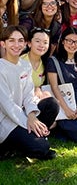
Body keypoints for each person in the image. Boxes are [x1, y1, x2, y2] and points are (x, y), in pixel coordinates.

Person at [0, 25, 59, 160]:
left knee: (52, 104)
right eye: (11, 41)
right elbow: (7, 105)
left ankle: (31, 137)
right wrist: (29, 121)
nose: (16, 45)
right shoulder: (1, 68)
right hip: (5, 120)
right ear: (3, 44)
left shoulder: (25, 65)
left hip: (23, 114)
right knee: (42, 148)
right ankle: (8, 147)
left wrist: (32, 116)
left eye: (20, 40)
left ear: (25, 43)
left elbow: (28, 95)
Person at [22, 27, 52, 100]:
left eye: (45, 42)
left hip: (35, 100)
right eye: (37, 41)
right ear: (29, 43)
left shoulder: (46, 63)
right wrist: (35, 89)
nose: (41, 45)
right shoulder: (20, 61)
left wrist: (38, 88)